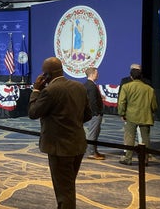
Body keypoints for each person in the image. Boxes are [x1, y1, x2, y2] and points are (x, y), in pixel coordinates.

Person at [29, 57, 92, 209]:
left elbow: (33, 112)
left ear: (46, 76)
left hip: (59, 148)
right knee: (67, 186)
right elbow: (88, 115)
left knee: (65, 192)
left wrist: (36, 90)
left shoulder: (50, 91)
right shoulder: (79, 87)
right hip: (77, 145)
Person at [117, 67, 157, 166]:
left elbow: (121, 102)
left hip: (130, 116)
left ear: (131, 76)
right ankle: (145, 159)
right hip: (145, 116)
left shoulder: (126, 87)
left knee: (130, 137)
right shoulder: (149, 89)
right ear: (141, 76)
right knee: (145, 138)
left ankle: (128, 158)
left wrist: (122, 113)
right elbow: (154, 106)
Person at [84, 67, 104, 160]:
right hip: (94, 114)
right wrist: (96, 113)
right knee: (93, 133)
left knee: (94, 132)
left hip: (91, 113)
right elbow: (92, 101)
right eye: (96, 73)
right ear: (92, 74)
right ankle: (91, 153)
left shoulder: (86, 85)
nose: (98, 75)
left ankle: (94, 151)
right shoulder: (91, 86)